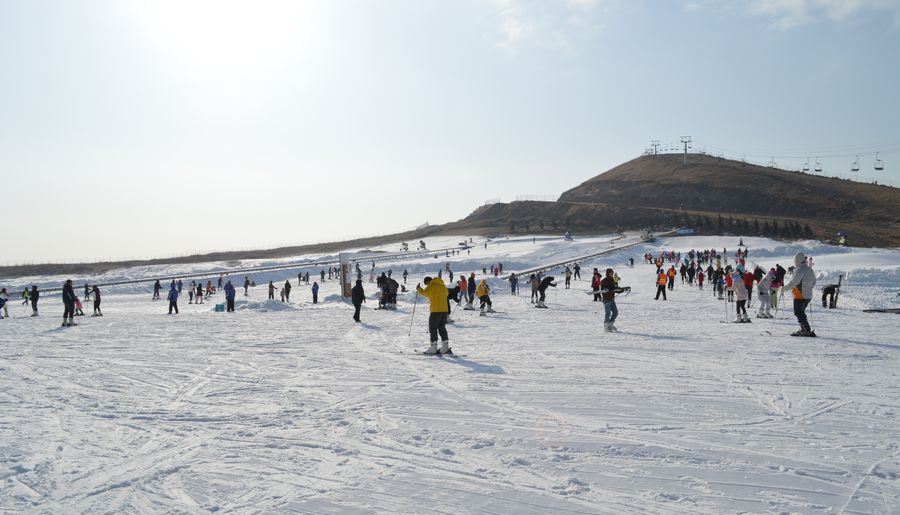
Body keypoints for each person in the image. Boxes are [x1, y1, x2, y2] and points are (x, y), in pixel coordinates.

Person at [783, 252, 817, 337]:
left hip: (800, 295)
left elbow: (794, 282)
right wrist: (808, 289)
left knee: (798, 312)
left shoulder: (800, 270)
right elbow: (814, 282)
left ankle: (805, 329)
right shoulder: (810, 269)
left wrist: (784, 288)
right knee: (801, 312)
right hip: (808, 296)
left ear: (797, 260)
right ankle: (805, 329)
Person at [416, 276, 451, 355]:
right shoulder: (442, 285)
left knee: (433, 327)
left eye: (426, 284)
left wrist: (418, 288)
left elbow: (425, 293)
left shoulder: (432, 285)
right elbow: (447, 293)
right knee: (442, 327)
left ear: (428, 282)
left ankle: (433, 347)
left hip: (436, 310)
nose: (427, 286)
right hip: (444, 310)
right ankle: (445, 346)